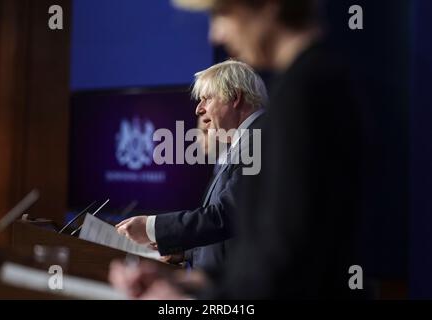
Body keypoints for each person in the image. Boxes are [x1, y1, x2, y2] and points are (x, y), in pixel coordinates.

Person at [110, 0, 363, 299]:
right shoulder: (302, 86)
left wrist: (188, 303)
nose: (215, 35)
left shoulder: (307, 93)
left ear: (268, 7)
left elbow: (290, 262)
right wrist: (190, 284)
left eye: (223, 14)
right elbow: (261, 247)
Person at [115, 60, 267, 272]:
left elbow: (226, 216)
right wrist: (187, 252)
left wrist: (151, 227)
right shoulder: (246, 141)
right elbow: (231, 233)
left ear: (235, 97)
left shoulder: (260, 140)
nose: (198, 109)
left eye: (206, 99)